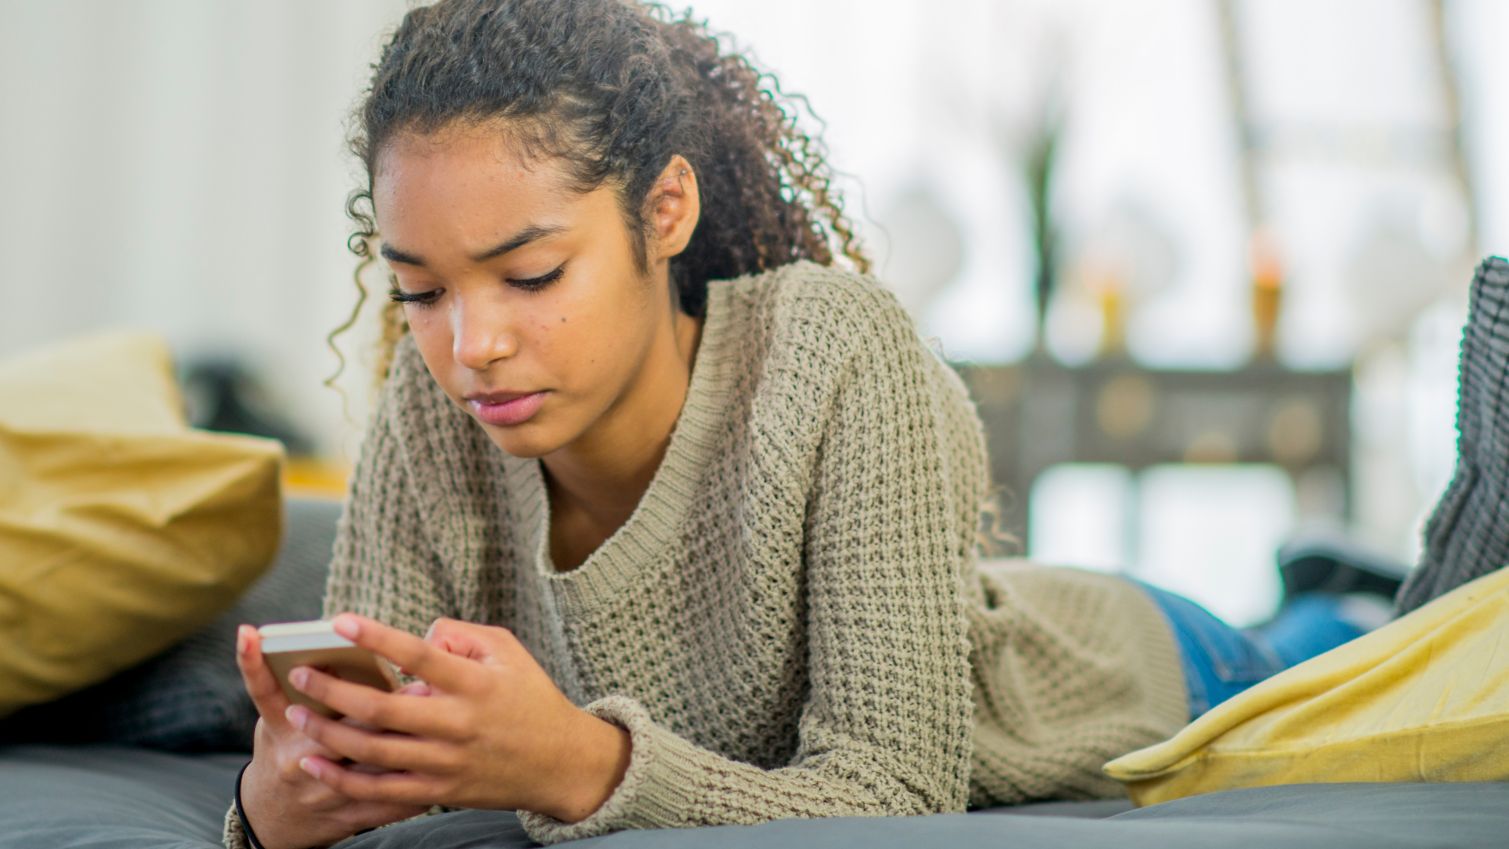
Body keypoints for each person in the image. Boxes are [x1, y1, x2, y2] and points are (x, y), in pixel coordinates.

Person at [220, 2, 1489, 847]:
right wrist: (277, 803)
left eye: (532, 275)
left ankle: (1339, 593)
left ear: (664, 211)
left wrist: (576, 765)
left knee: (1361, 650)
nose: (469, 344)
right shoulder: (429, 413)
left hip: (1145, 671)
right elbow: (364, 783)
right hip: (1023, 616)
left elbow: (894, 796)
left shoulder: (832, 355)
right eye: (421, 290)